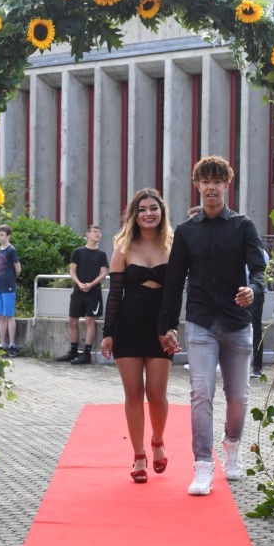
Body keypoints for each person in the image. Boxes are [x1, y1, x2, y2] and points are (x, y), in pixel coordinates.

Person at [158, 155, 266, 495]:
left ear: (226, 185)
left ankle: (231, 445)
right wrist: (167, 325)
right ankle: (203, 464)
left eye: (217, 181)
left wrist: (254, 290)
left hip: (237, 321)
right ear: (197, 186)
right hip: (201, 321)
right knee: (200, 394)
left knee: (239, 397)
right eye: (205, 181)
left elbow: (259, 270)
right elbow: (174, 281)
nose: (211, 187)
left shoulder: (244, 226)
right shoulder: (186, 231)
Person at [100, 190, 174, 483]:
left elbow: (176, 293)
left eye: (153, 208)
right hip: (128, 326)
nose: (148, 213)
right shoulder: (123, 247)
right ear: (134, 214)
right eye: (142, 209)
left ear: (161, 212)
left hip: (161, 329)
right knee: (133, 393)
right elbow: (115, 294)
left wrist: (171, 328)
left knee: (156, 393)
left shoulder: (172, 245)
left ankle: (158, 441)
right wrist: (108, 333)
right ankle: (139, 455)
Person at [56, 225, 108, 365]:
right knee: (72, 321)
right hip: (78, 291)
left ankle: (86, 354)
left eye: (100, 232)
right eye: (95, 231)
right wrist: (79, 283)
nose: (98, 234)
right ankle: (73, 351)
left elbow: (103, 273)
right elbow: (72, 271)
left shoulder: (101, 254)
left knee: (90, 321)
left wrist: (91, 284)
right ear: (87, 234)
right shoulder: (78, 252)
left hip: (94, 292)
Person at [0, 224, 21, 356]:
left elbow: (18, 268)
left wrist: (10, 278)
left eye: (2, 235)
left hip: (8, 287)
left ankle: (12, 344)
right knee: (0, 316)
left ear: (8, 236)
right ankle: (2, 343)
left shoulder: (11, 250)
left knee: (9, 315)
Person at [250, 246, 269, 378]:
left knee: (256, 328)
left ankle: (257, 367)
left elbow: (263, 274)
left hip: (256, 293)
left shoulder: (262, 253)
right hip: (240, 291)